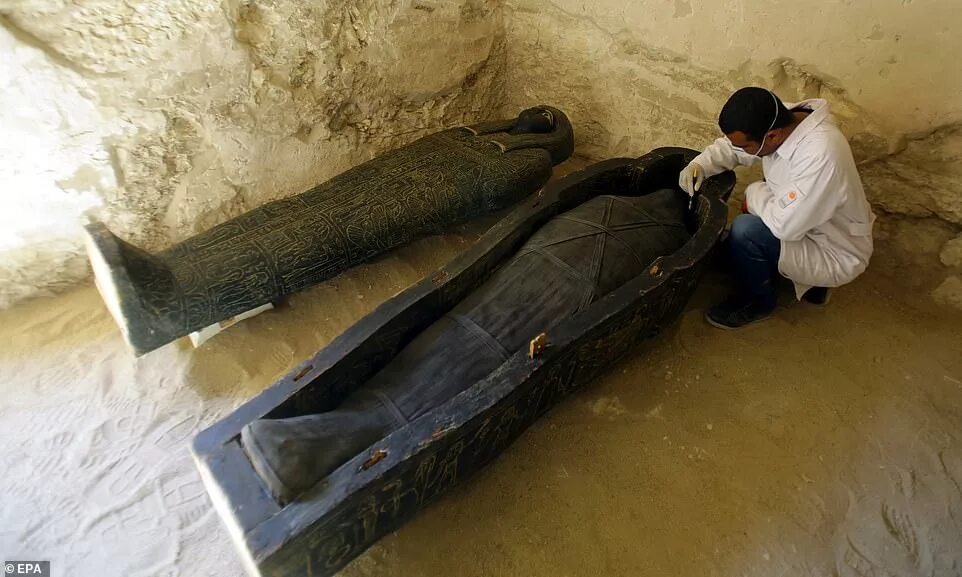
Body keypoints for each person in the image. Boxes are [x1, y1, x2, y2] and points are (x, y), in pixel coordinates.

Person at [678, 87, 876, 329]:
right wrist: (700, 165)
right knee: (735, 246)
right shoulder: (782, 119)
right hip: (806, 223)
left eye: (747, 146)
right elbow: (734, 147)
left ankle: (758, 302)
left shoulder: (821, 154)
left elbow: (785, 226)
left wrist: (754, 194)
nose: (742, 150)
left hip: (833, 248)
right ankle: (808, 284)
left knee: (746, 231)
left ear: (772, 137)